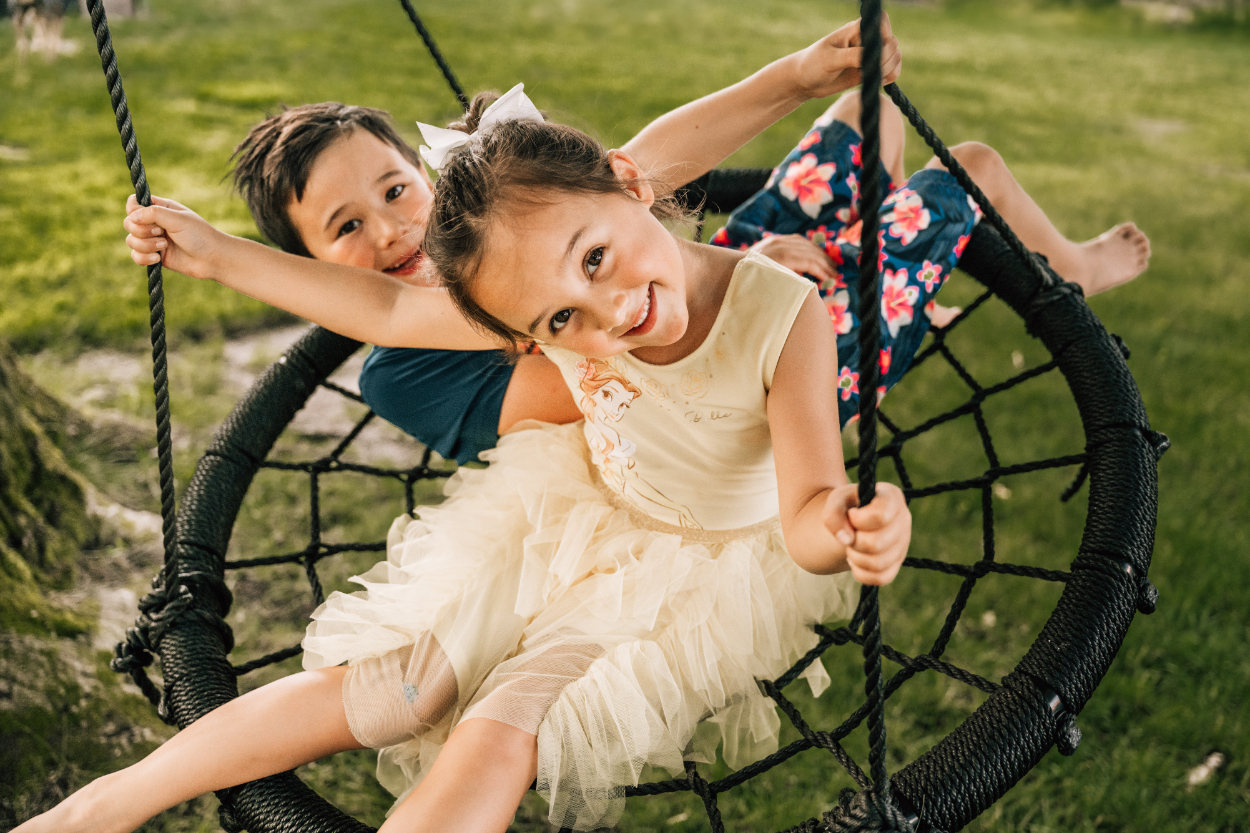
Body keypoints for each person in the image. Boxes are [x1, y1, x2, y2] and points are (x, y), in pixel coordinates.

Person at [222, 21, 1145, 461]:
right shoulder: (420, 357)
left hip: (715, 289)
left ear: (428, 176)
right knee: (969, 169)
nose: (392, 229)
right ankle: (1064, 270)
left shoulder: (507, 226)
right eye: (346, 227)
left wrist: (791, 77)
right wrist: (756, 278)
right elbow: (605, 374)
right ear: (312, 266)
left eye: (395, 190)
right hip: (754, 381)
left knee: (869, 117)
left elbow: (638, 171)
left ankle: (879, 260)